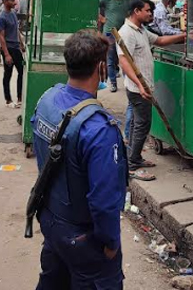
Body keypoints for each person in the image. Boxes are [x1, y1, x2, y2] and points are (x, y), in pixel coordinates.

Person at [32, 29, 128, 289]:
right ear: (101, 68)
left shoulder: (47, 100)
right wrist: (110, 242)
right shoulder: (99, 128)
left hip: (52, 221)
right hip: (83, 237)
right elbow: (104, 199)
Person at [118, 0, 187, 181]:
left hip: (143, 87)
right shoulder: (127, 33)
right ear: (136, 11)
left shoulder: (140, 30)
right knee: (142, 125)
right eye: (148, 10)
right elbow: (124, 61)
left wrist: (184, 36)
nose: (150, 14)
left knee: (135, 124)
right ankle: (132, 166)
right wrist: (140, 85)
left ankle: (135, 158)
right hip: (138, 89)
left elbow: (160, 40)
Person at [99, 0, 131, 93]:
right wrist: (101, 18)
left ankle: (128, 84)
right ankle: (113, 83)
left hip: (123, 34)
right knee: (110, 60)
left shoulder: (127, 1)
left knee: (125, 58)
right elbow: (92, 5)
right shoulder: (105, 0)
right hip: (109, 34)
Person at [0, 0, 25, 108]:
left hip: (16, 47)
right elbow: (1, 37)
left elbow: (17, 29)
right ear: (4, 1)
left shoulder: (13, 13)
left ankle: (20, 97)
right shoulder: (1, 17)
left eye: (14, 0)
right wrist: (6, 54)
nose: (14, 2)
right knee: (8, 74)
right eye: (11, 0)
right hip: (8, 48)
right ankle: (8, 99)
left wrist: (21, 43)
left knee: (21, 72)